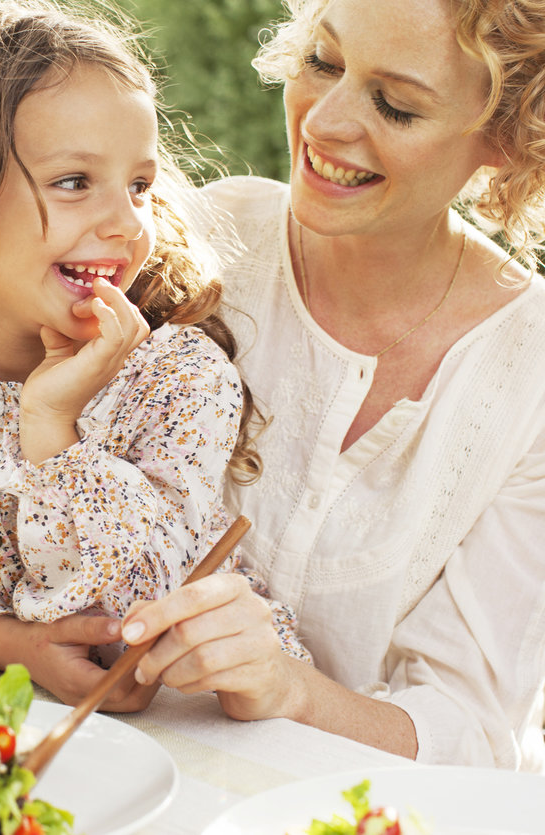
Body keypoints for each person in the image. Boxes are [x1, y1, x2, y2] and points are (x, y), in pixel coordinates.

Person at [118, 0, 545, 770]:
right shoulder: (206, 242)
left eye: (396, 104)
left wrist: (292, 689)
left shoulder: (532, 372)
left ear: (508, 141)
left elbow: (470, 730)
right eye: (323, 61)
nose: (324, 122)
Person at [0, 0, 310, 708]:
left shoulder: (177, 378)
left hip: (206, 718)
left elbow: (128, 618)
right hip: (37, 723)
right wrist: (11, 644)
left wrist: (53, 429)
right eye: (74, 182)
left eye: (140, 186)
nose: (129, 223)